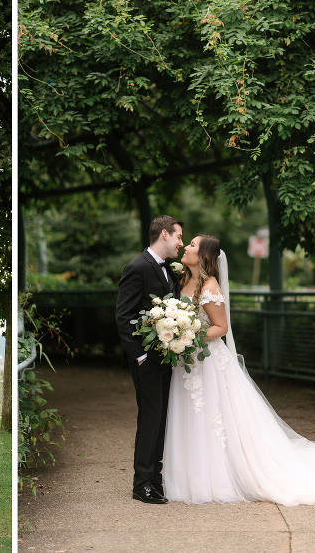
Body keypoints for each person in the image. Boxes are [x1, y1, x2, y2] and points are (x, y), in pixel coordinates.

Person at [163, 234, 315, 505]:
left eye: (192, 244)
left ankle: (217, 477)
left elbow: (221, 328)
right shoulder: (183, 279)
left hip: (208, 362)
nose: (187, 247)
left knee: (214, 418)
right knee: (191, 416)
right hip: (189, 362)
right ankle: (188, 474)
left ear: (204, 256)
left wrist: (189, 336)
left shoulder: (210, 286)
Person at [115, 215, 183, 505]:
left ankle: (155, 479)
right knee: (150, 418)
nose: (181, 242)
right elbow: (123, 316)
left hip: (166, 358)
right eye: (179, 236)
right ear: (165, 235)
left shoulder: (169, 270)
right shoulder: (137, 267)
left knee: (161, 419)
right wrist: (140, 356)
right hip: (147, 360)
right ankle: (141, 484)